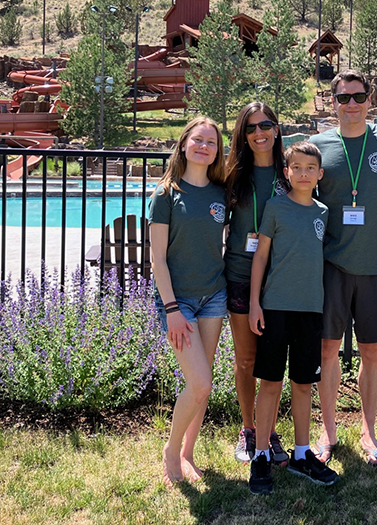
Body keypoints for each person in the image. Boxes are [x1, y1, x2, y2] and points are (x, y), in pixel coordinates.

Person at [309, 69, 377, 466]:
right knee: (327, 349)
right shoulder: (317, 146)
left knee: (371, 350)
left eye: (358, 96)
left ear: (371, 99)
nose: (351, 104)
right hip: (330, 264)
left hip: (375, 265)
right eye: (343, 97)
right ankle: (328, 432)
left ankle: (368, 432)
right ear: (332, 102)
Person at [247, 142, 337, 495]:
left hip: (310, 310)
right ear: (286, 172)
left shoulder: (322, 212)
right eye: (295, 167)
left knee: (303, 383)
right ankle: (261, 456)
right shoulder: (274, 208)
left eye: (309, 167)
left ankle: (302, 453)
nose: (302, 173)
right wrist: (255, 303)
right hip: (275, 309)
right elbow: (260, 258)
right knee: (270, 382)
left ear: (319, 174)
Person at [150, 116, 228, 485]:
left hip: (214, 296)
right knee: (199, 383)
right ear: (183, 144)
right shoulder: (165, 194)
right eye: (198, 139)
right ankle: (171, 449)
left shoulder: (220, 192)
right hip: (178, 302)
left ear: (217, 151)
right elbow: (157, 259)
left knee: (205, 381)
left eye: (211, 142)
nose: (204, 146)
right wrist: (171, 310)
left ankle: (188, 455)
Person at [224, 103, 289, 466]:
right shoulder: (233, 174)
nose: (259, 132)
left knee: (272, 361)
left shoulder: (289, 172)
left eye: (266, 125)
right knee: (247, 358)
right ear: (243, 135)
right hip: (239, 275)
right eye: (251, 128)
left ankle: (269, 430)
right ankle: (248, 429)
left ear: (277, 130)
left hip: (279, 279)